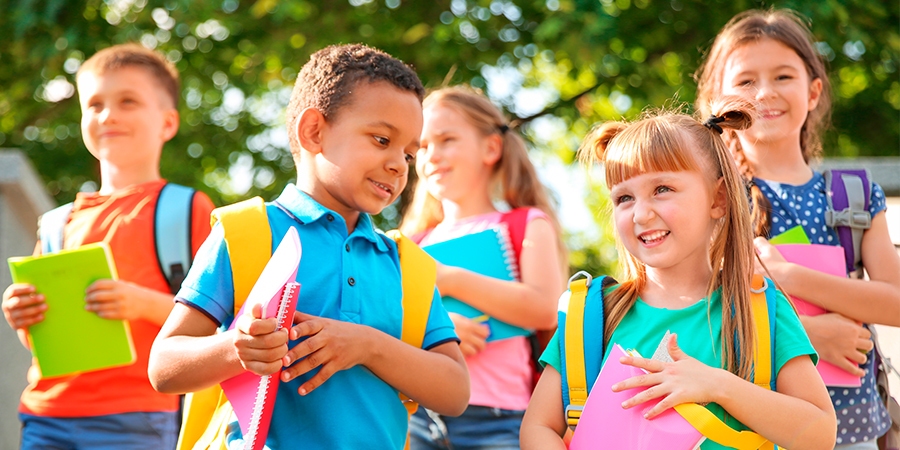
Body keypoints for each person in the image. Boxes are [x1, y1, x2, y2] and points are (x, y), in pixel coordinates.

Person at [148, 44, 469, 450]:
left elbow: (456, 392)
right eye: (382, 139)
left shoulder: (409, 267)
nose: (398, 165)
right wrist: (236, 348)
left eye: (408, 153)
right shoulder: (246, 232)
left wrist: (367, 345)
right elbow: (164, 366)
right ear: (314, 131)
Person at [520, 100, 838, 449]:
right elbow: (538, 427)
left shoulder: (761, 310)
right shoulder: (592, 316)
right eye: (624, 197)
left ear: (718, 199)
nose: (641, 214)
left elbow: (820, 433)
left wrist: (718, 385)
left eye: (662, 189)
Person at [695, 9, 900, 448]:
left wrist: (791, 278)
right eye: (746, 81)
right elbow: (695, 311)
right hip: (752, 429)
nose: (765, 92)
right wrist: (808, 337)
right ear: (719, 100)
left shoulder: (856, 196)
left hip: (855, 429)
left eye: (783, 76)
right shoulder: (710, 201)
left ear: (814, 91)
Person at [1, 43, 215, 449]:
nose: (107, 115)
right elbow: (42, 341)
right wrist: (24, 317)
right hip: (46, 415)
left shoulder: (186, 208)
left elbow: (217, 321)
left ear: (168, 123)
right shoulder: (56, 223)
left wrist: (139, 302)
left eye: (128, 101)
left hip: (141, 414)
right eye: (94, 104)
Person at [400, 86, 566, 450]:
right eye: (423, 145)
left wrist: (449, 279)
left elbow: (545, 308)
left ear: (491, 148)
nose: (432, 155)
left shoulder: (526, 224)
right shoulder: (410, 244)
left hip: (501, 419)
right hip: (420, 418)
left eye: (447, 140)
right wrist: (440, 329)